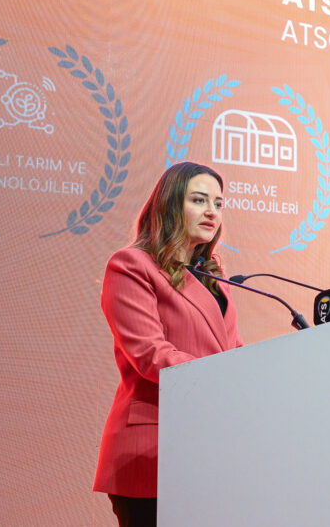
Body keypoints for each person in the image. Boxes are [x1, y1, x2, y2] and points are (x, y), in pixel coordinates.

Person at [93, 161, 243, 526]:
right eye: (199, 200)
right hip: (153, 448)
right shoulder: (132, 265)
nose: (212, 211)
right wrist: (226, 378)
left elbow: (234, 351)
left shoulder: (213, 278)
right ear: (170, 204)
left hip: (212, 449)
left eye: (218, 203)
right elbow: (150, 354)